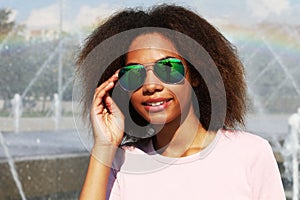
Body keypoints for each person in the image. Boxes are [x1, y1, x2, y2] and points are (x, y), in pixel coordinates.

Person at [75, 4, 286, 200]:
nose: (150, 86)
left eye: (167, 68)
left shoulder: (249, 153)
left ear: (195, 74)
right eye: (134, 73)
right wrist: (104, 145)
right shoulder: (120, 163)